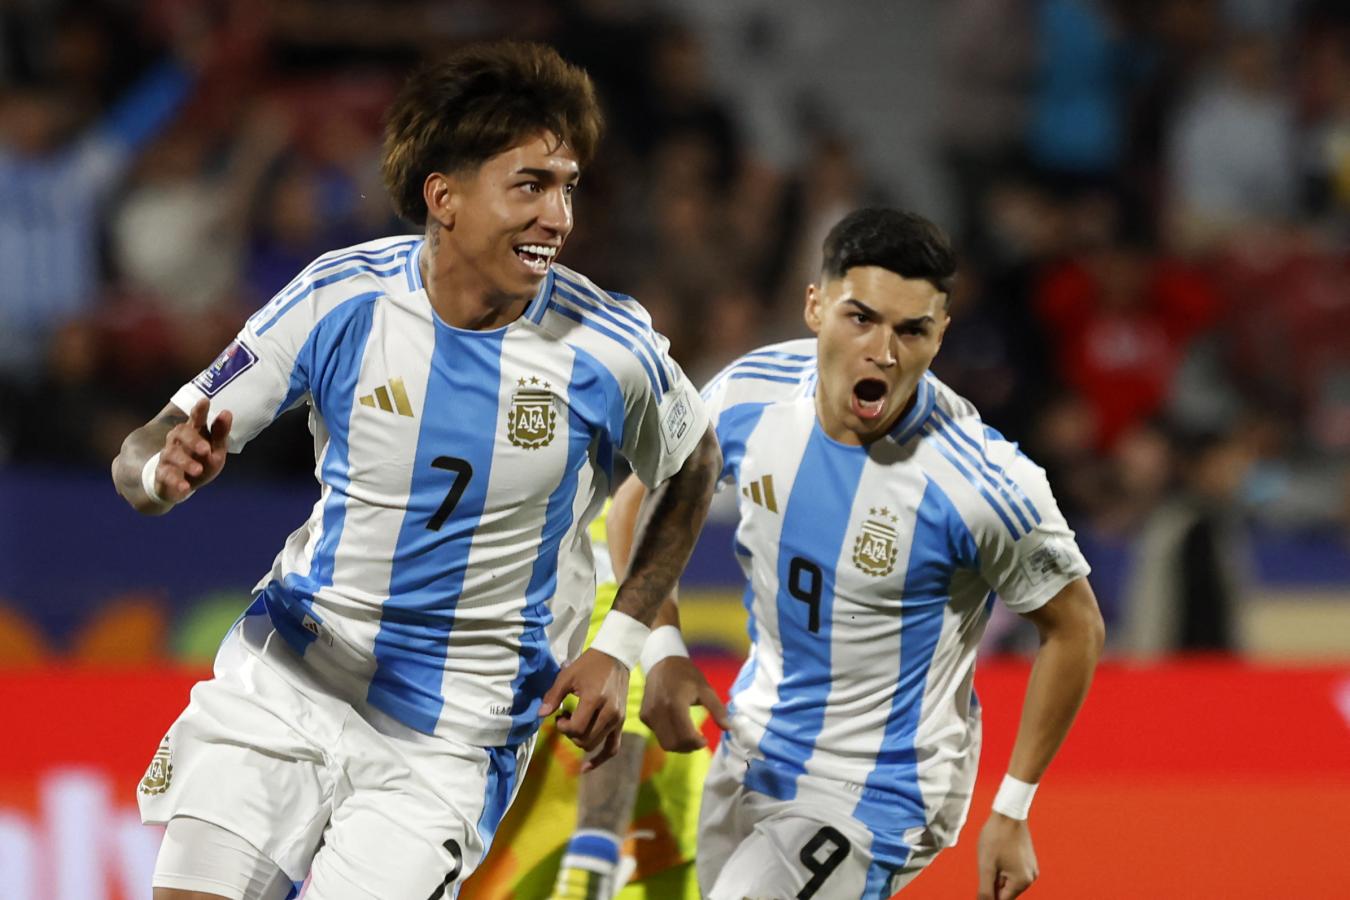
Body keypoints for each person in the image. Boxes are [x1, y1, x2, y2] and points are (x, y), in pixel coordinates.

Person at [110, 41, 720, 900]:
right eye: (530, 185)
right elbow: (148, 445)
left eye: (567, 186)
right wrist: (161, 474)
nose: (558, 216)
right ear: (444, 195)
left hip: (451, 740)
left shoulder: (608, 346)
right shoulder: (340, 298)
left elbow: (694, 466)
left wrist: (621, 643)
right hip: (289, 675)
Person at [620, 208, 1105, 899]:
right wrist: (660, 647)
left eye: (913, 330)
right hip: (752, 746)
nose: (885, 351)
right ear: (815, 306)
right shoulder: (749, 395)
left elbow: (1076, 626)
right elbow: (641, 498)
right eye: (862, 318)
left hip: (880, 789)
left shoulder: (981, 481)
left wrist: (1013, 808)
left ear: (941, 334)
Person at [463, 500, 718, 900]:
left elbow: (622, 698)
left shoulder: (576, 542)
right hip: (522, 842)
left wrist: (592, 860)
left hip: (634, 841)